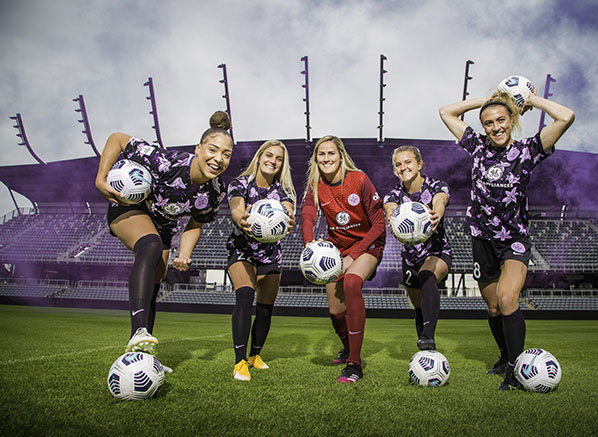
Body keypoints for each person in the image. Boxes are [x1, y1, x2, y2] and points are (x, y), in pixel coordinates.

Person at [439, 89, 574, 390]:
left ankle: (515, 369)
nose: (495, 127)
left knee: (507, 298)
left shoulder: (529, 150)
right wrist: (487, 101)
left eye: (501, 119)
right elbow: (446, 112)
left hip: (514, 240)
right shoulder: (476, 146)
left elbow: (566, 117)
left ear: (512, 120)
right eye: (488, 122)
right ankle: (503, 356)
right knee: (493, 308)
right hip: (482, 239)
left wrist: (528, 100)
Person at [95, 111, 233, 355]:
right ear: (198, 148)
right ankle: (138, 331)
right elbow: (117, 139)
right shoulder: (166, 162)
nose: (218, 159)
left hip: (164, 225)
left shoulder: (216, 191)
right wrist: (101, 178)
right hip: (131, 207)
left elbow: (195, 224)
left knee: (155, 278)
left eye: (226, 154)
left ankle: (141, 352)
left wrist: (184, 253)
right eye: (212, 150)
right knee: (150, 245)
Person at [301, 135, 386, 383]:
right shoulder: (315, 185)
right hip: (338, 248)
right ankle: (347, 348)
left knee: (351, 282)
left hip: (368, 245)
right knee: (336, 311)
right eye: (321, 154)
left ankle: (354, 364)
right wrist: (309, 244)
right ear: (316, 158)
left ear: (340, 156)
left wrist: (353, 256)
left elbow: (379, 225)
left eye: (331, 153)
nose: (326, 158)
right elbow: (308, 214)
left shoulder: (358, 179)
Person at [227, 140, 296, 382]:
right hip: (242, 248)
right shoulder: (240, 183)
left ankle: (255, 355)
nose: (273, 161)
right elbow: (236, 207)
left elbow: (287, 208)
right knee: (245, 295)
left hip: (270, 252)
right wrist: (241, 218)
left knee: (266, 307)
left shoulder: (284, 191)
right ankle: (240, 362)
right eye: (269, 155)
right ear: (259, 157)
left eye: (278, 158)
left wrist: (288, 218)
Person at [383, 146, 451, 351]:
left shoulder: (436, 185)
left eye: (408, 162)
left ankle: (428, 338)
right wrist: (391, 216)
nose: (403, 167)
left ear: (419, 164)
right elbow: (390, 207)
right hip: (410, 259)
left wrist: (436, 212)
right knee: (419, 307)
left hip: (437, 252)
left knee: (426, 275)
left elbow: (441, 199)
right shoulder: (394, 195)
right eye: (398, 164)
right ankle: (425, 348)